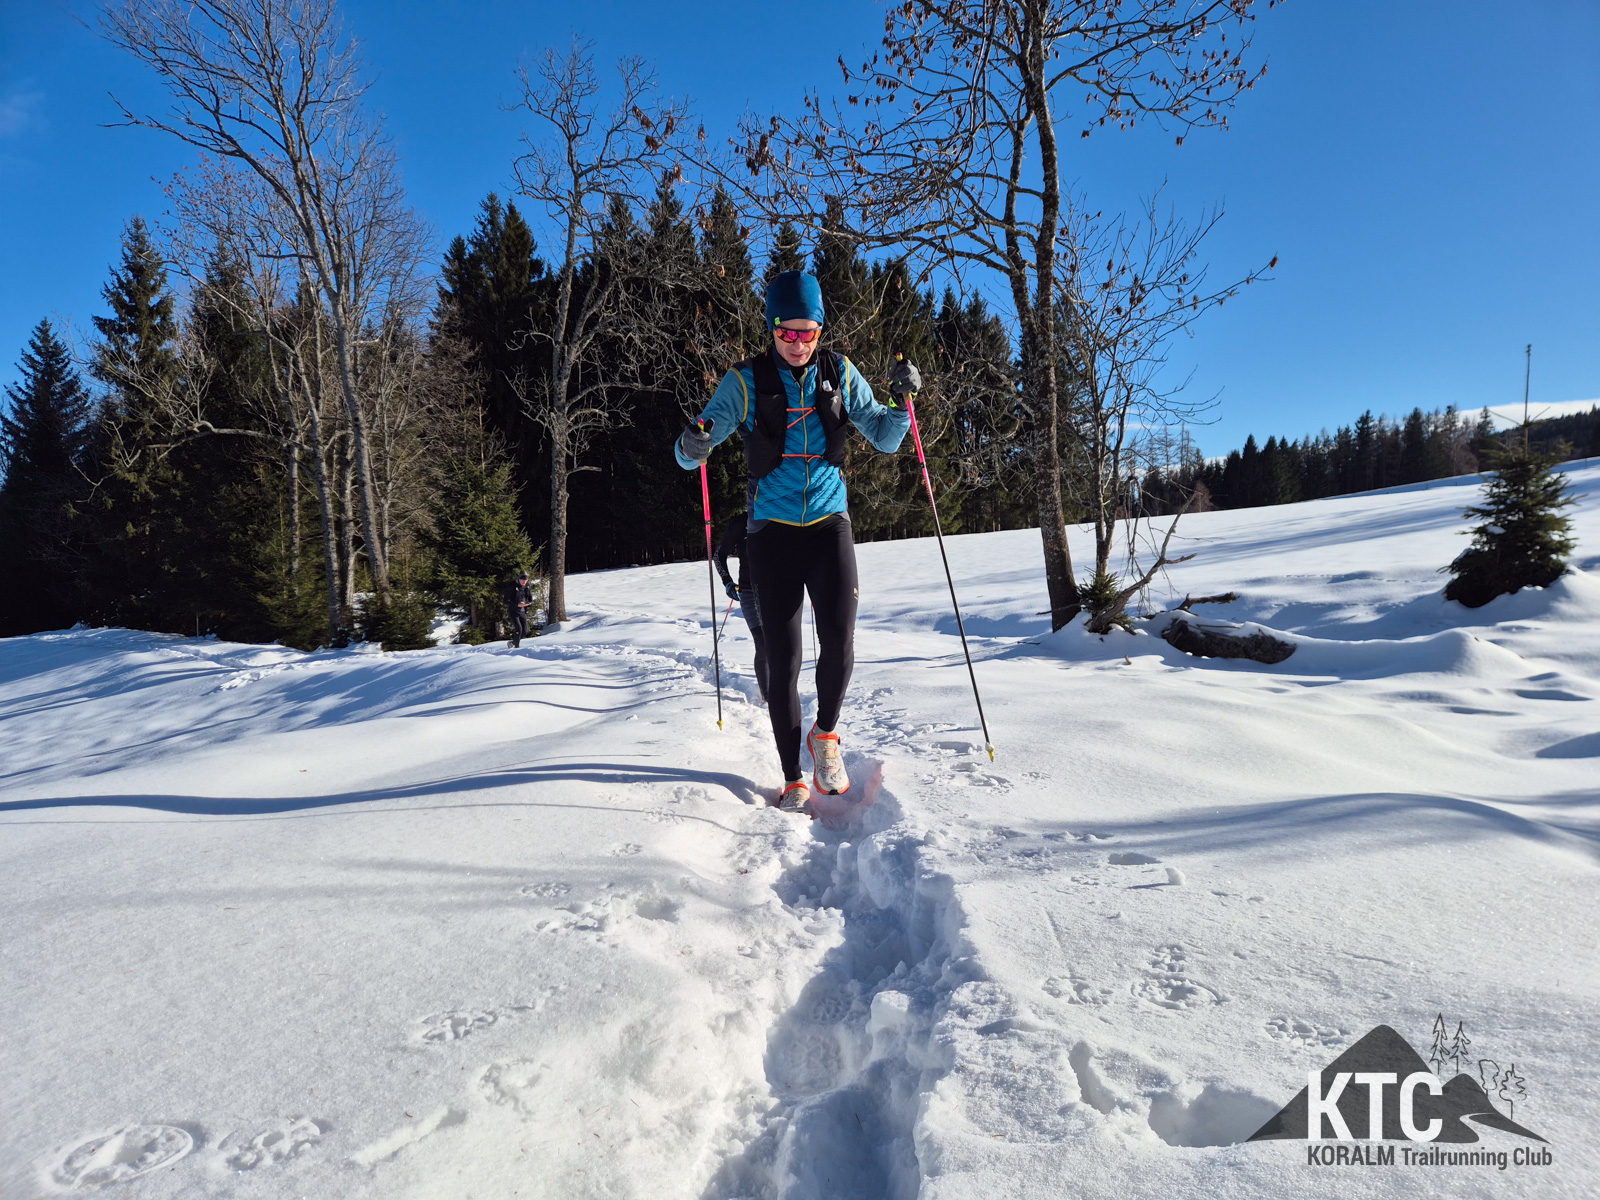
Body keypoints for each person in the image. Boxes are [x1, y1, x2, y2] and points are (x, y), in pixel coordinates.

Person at [674, 269, 922, 813]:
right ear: (772, 329)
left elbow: (883, 437)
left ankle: (825, 735)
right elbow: (695, 444)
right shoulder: (744, 382)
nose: (797, 343)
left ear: (819, 331)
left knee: (840, 641)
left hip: (830, 523)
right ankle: (792, 776)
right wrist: (692, 445)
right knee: (782, 660)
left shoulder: (840, 372)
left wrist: (902, 402)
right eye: (787, 332)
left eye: (807, 333)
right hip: (772, 531)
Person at [713, 517, 767, 705]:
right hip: (749, 591)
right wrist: (727, 581)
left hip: (776, 591)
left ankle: (781, 691)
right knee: (763, 643)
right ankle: (767, 696)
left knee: (779, 644)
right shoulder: (741, 523)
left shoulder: (779, 516)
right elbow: (719, 555)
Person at [504, 569, 534, 648]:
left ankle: (512, 643)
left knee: (525, 631)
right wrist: (517, 604)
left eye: (526, 580)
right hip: (513, 610)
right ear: (519, 579)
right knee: (519, 629)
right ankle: (516, 648)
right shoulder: (512, 585)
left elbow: (530, 598)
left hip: (522, 610)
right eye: (522, 580)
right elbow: (505, 601)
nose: (524, 582)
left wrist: (529, 604)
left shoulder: (527, 585)